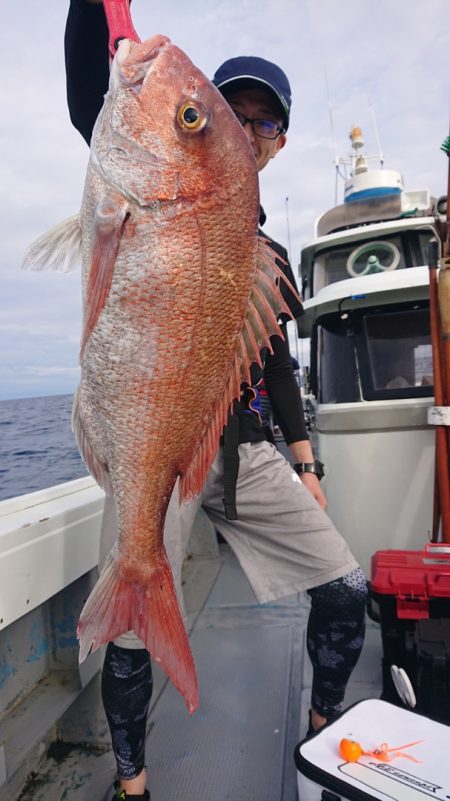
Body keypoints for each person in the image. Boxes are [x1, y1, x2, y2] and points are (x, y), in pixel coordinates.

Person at [64, 3, 369, 798]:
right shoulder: (142, 170)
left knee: (346, 589)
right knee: (131, 637)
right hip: (158, 448)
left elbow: (274, 373)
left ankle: (322, 735)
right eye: (230, 113)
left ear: (279, 143)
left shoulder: (266, 259)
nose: (251, 128)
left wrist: (306, 463)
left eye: (266, 125)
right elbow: (85, 93)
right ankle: (131, 783)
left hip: (243, 450)